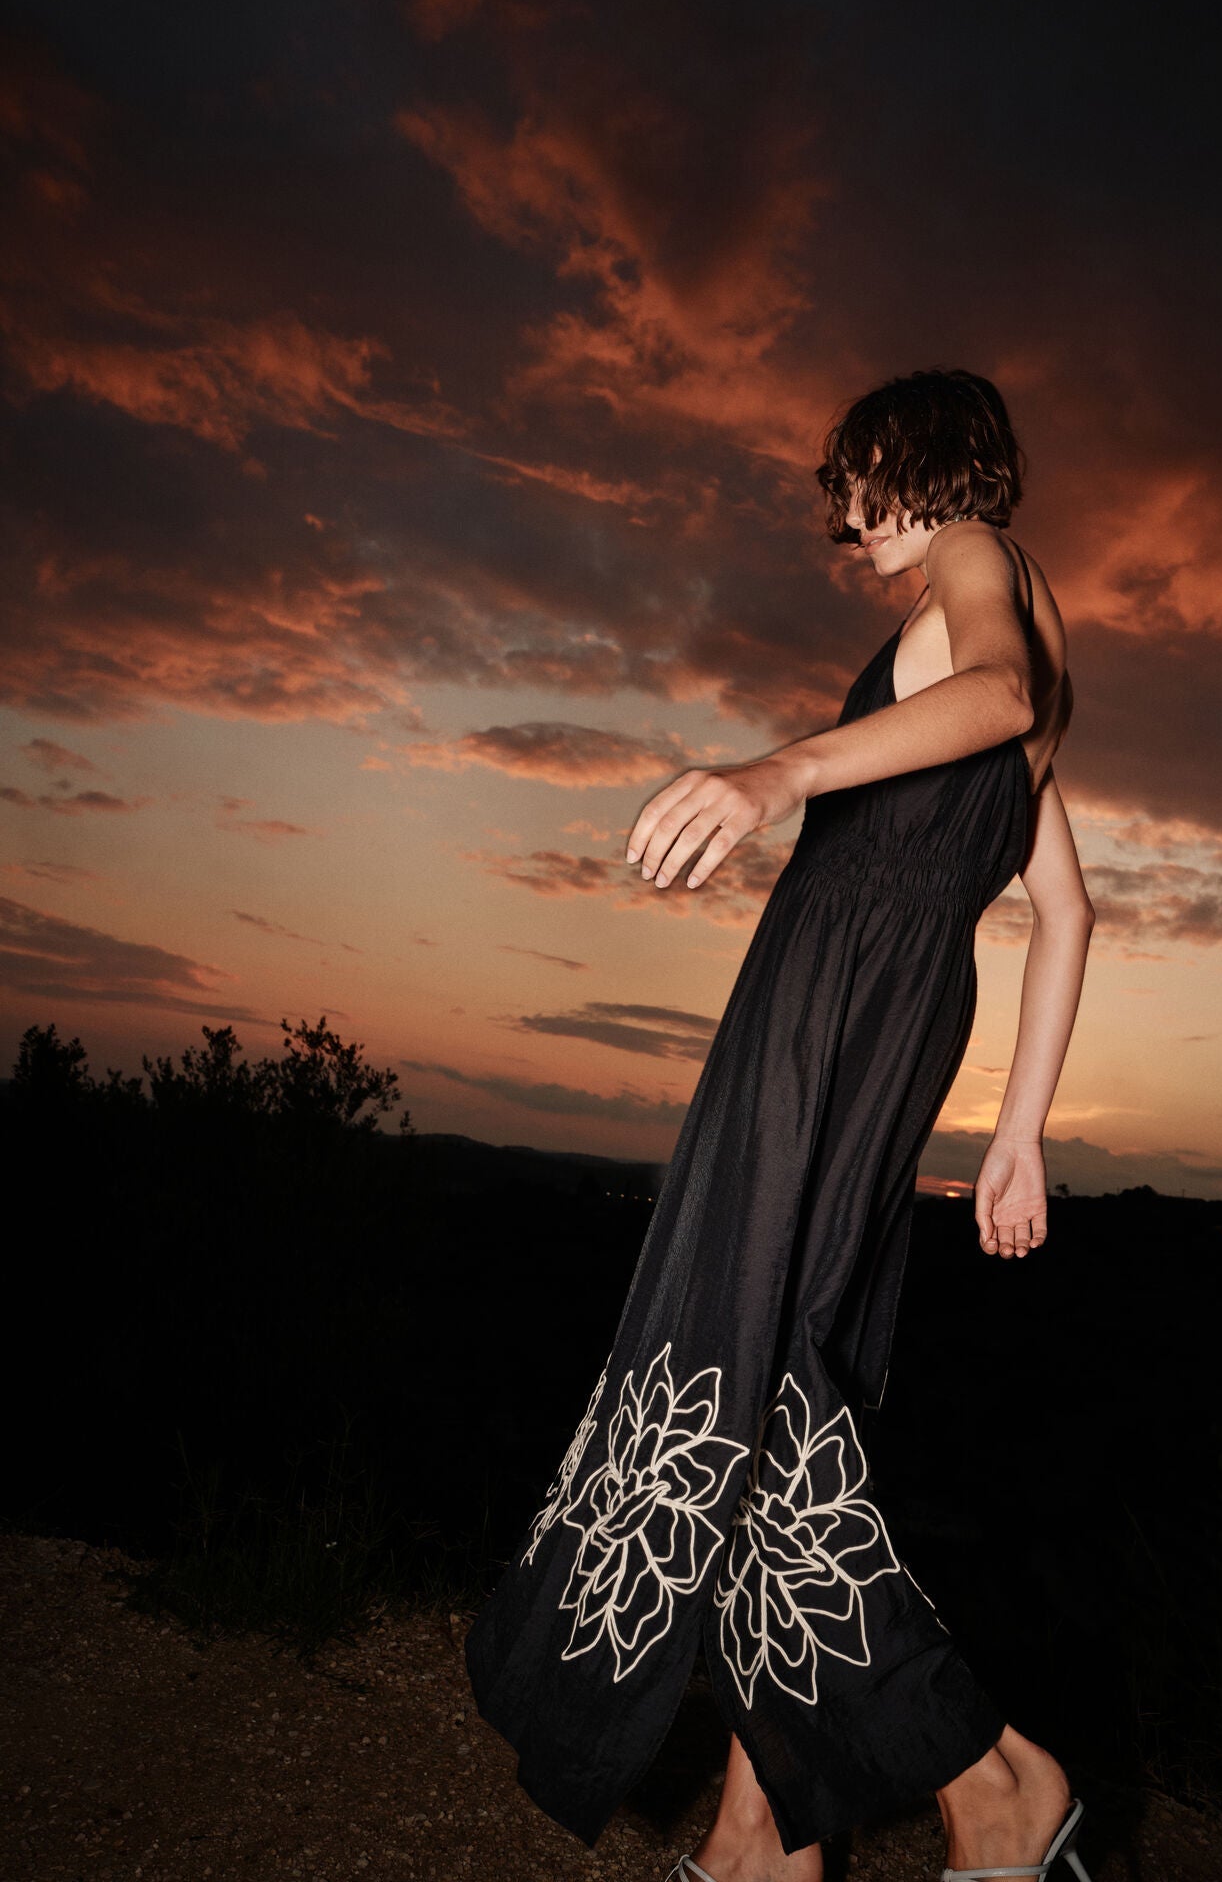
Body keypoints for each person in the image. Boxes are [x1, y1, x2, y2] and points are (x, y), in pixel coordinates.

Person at [464, 369, 1095, 1882]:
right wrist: (1018, 1130)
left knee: (738, 1363)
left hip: (835, 997)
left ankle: (992, 1779)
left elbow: (997, 695)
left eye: (857, 487)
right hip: (895, 1001)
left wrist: (781, 770)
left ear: (918, 465)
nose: (846, 526)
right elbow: (1067, 909)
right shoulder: (1025, 636)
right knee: (781, 1376)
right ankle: (763, 1834)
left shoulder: (978, 565)